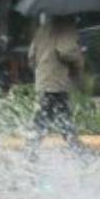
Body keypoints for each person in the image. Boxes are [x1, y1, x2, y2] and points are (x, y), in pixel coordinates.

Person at [27, 12, 84, 148]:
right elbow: (66, 51)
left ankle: (31, 149)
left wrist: (40, 71)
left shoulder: (42, 29)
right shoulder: (65, 28)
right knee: (58, 116)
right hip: (57, 81)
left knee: (47, 115)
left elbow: (31, 56)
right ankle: (78, 150)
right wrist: (79, 58)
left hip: (44, 80)